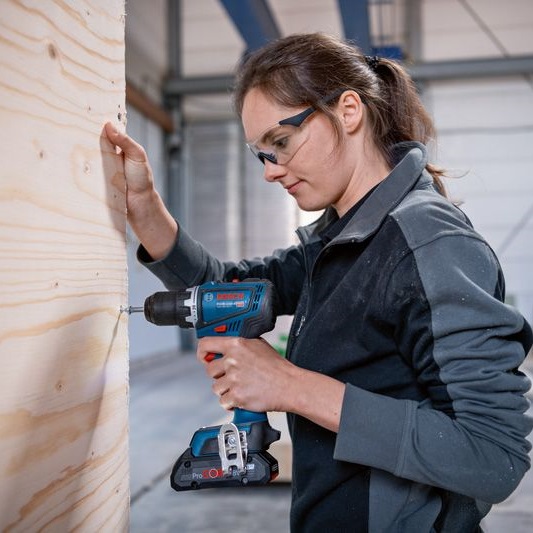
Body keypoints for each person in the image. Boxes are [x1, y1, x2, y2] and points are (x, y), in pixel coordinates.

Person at [105, 32, 533, 532]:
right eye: (261, 154)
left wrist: (290, 386)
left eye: (281, 142)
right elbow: (223, 290)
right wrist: (146, 207)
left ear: (348, 111)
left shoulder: (430, 244)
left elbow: (493, 454)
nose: (270, 172)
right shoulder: (338, 243)